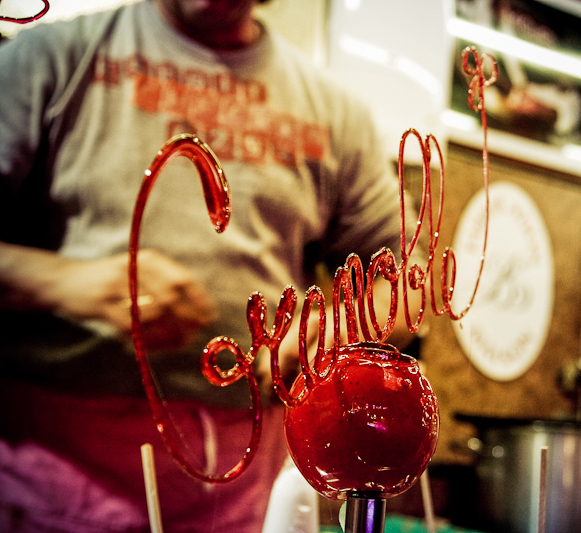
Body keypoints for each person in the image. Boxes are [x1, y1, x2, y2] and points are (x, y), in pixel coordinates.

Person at [0, 0, 415, 531]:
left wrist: (342, 328)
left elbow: (404, 279)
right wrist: (67, 284)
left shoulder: (334, 112)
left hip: (247, 476)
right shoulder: (53, 58)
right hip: (53, 466)